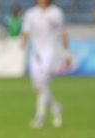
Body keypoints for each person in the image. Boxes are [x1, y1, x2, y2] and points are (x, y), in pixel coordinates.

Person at [20, 0, 71, 128]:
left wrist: (66, 53)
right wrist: (23, 41)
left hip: (50, 52)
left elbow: (62, 33)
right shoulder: (30, 13)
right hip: (35, 53)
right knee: (38, 86)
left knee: (43, 83)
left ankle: (40, 117)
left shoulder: (56, 12)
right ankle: (56, 107)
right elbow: (26, 30)